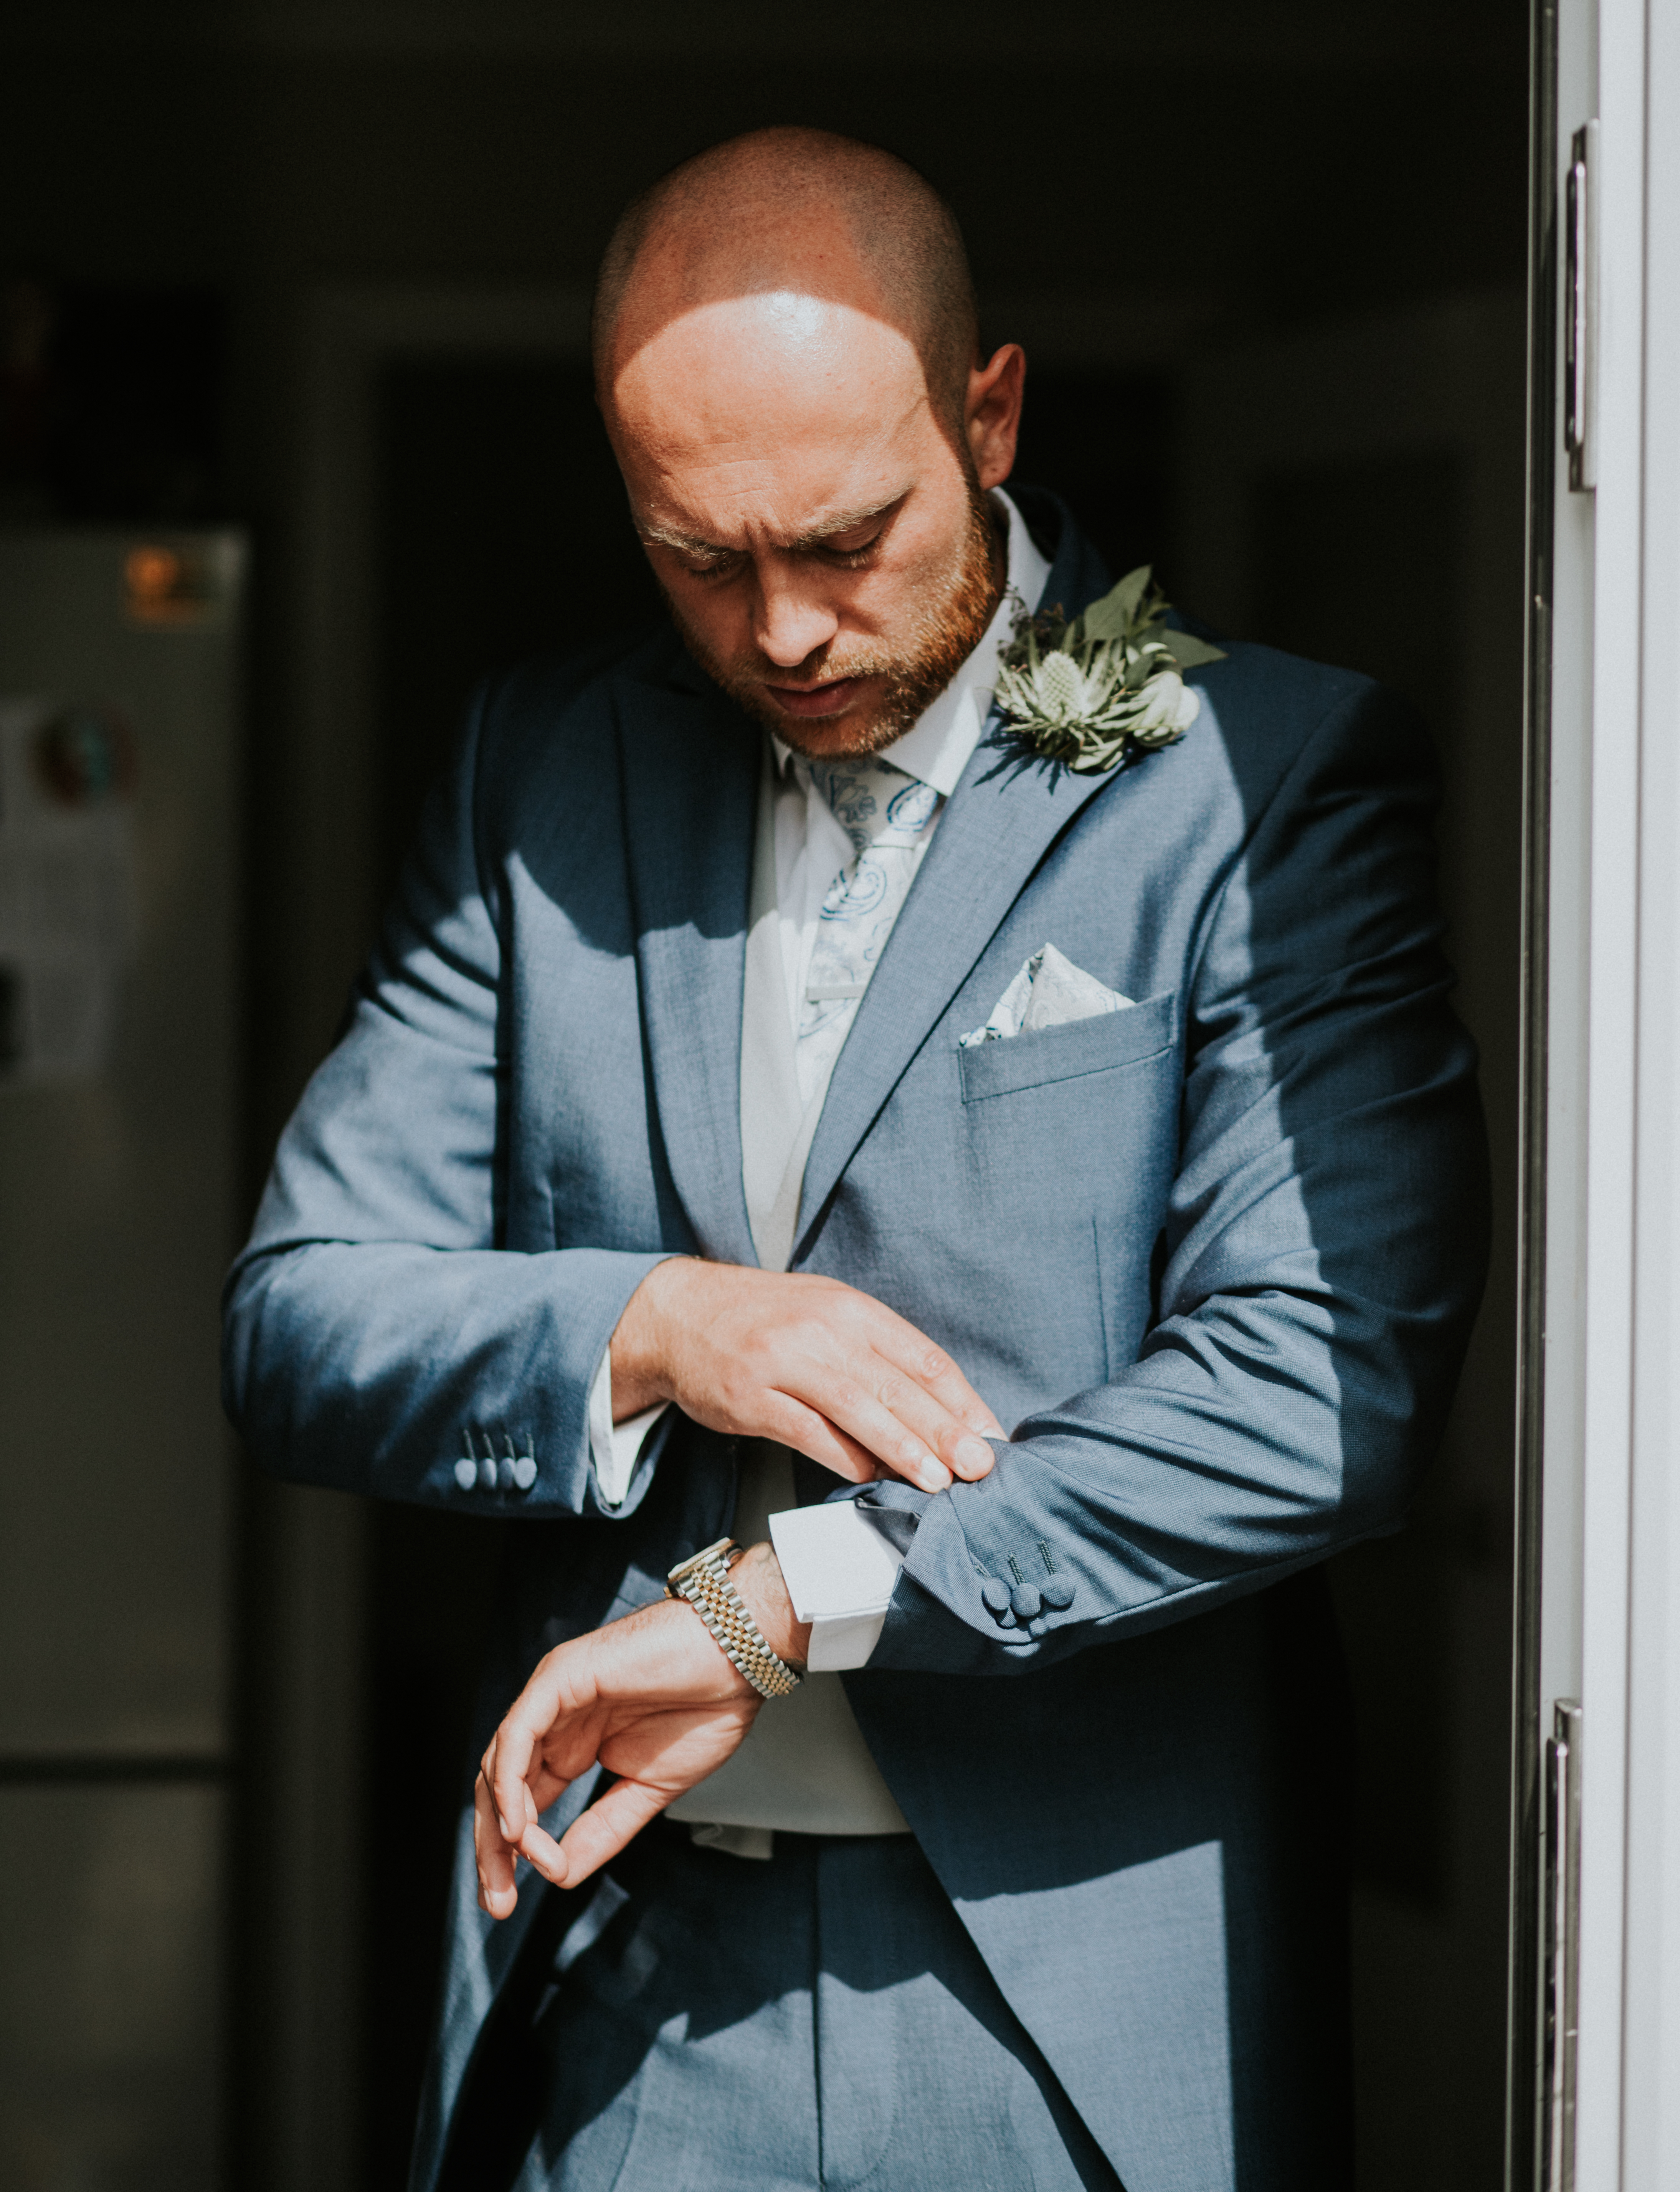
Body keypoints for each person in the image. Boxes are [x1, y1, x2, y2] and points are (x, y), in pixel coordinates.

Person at [223, 126, 1488, 2192]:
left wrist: (777, 1604)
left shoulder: (1256, 775)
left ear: (988, 411)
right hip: (633, 1983)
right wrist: (655, 1322)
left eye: (844, 541)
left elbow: (1318, 1378)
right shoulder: (540, 773)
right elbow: (300, 1314)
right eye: (698, 560)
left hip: (1070, 1996)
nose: (785, 631)